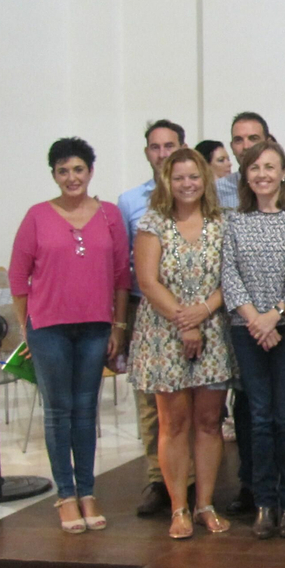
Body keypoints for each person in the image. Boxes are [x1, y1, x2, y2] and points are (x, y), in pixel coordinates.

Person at [10, 138, 132, 533]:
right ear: (54, 175)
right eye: (63, 171)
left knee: (85, 410)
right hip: (48, 329)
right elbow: (18, 277)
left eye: (78, 169)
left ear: (90, 171)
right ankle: (65, 495)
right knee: (58, 412)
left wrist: (117, 325)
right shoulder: (37, 216)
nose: (72, 177)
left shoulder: (110, 216)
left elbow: (120, 276)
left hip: (96, 326)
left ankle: (88, 492)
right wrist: (27, 327)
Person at [127, 148, 234, 540]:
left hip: (212, 330)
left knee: (209, 423)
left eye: (194, 177)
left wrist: (202, 312)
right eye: (179, 178)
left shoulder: (222, 221)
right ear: (165, 182)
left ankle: (205, 503)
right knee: (173, 423)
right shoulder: (153, 222)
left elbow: (232, 277)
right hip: (165, 333)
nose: (187, 184)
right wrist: (184, 320)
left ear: (205, 180)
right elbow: (148, 281)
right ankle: (179, 507)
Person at [220, 141, 285, 540]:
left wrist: (276, 314)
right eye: (254, 168)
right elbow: (228, 275)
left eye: (270, 167)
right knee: (258, 418)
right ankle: (263, 502)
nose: (262, 175)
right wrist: (255, 319)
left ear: (284, 173)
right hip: (246, 330)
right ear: (245, 175)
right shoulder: (233, 220)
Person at [117, 119, 185, 517]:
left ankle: (191, 483)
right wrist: (120, 324)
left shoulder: (197, 191)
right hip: (149, 311)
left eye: (169, 145)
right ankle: (157, 481)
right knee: (151, 407)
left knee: (191, 407)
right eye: (155, 147)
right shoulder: (130, 202)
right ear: (147, 153)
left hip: (198, 311)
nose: (162, 153)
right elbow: (126, 266)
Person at [215, 112, 285, 210]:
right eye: (238, 140)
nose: (246, 146)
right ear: (232, 147)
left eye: (253, 138)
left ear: (268, 142)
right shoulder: (217, 189)